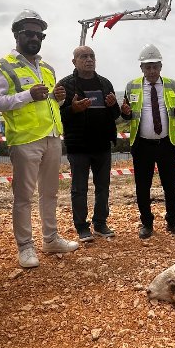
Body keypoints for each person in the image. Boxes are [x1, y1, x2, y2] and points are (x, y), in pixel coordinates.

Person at [0, 10, 79, 268]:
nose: (35, 38)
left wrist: (57, 97)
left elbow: (49, 102)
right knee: (23, 197)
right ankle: (25, 247)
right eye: (29, 33)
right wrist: (27, 96)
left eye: (40, 34)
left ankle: (50, 238)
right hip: (25, 139)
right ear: (16, 34)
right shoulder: (1, 66)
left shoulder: (47, 68)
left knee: (49, 193)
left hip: (51, 136)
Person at [120, 44, 175, 239]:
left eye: (155, 66)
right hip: (142, 145)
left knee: (170, 185)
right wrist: (125, 114)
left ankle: (172, 221)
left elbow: (173, 113)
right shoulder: (132, 86)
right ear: (141, 68)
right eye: (147, 67)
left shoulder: (172, 85)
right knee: (142, 186)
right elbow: (128, 115)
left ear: (160, 67)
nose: (151, 71)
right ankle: (146, 223)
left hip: (166, 143)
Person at [58, 46, 120, 242]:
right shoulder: (66, 85)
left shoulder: (104, 83)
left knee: (103, 187)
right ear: (74, 61)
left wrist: (113, 106)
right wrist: (73, 109)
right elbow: (59, 116)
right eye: (83, 56)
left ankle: (100, 223)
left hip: (102, 145)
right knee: (79, 189)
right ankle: (82, 227)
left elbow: (116, 115)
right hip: (79, 147)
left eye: (92, 56)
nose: (89, 59)